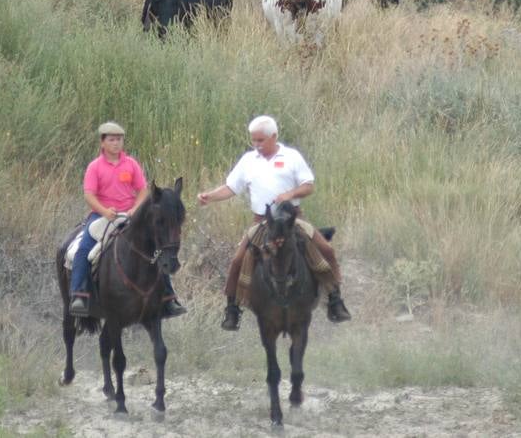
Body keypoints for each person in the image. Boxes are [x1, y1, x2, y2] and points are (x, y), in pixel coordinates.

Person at [197, 115, 351, 331]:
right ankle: (233, 308)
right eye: (254, 140)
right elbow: (231, 187)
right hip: (262, 222)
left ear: (274, 136)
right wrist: (210, 196)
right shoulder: (248, 161)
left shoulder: (291, 157)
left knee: (325, 250)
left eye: (261, 140)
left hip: (293, 219)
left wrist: (290, 194)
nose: (256, 145)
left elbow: (308, 185)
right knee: (237, 260)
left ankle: (335, 300)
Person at [68, 121, 186, 319]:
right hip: (102, 216)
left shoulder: (131, 164)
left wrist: (134, 209)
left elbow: (142, 191)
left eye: (119, 139)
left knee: (157, 248)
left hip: (131, 215)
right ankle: (79, 295)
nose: (116, 143)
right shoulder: (94, 167)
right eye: (112, 140)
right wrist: (105, 211)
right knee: (83, 250)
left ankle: (168, 297)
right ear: (103, 142)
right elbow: (89, 195)